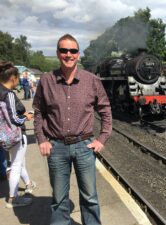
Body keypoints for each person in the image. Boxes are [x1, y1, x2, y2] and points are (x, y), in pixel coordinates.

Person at [33, 34, 112, 225]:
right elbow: (38, 112)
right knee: (59, 199)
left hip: (85, 146)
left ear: (78, 54)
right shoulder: (46, 80)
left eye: (73, 51)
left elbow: (105, 110)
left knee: (90, 197)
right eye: (64, 50)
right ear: (58, 53)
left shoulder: (92, 80)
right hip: (56, 147)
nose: (68, 54)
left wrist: (102, 139)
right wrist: (42, 139)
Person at [0, 61, 36, 208]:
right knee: (16, 164)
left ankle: (28, 184)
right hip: (14, 135)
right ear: (13, 78)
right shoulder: (8, 95)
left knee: (18, 162)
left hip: (2, 136)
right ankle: (13, 198)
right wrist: (27, 116)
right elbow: (14, 119)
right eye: (18, 78)